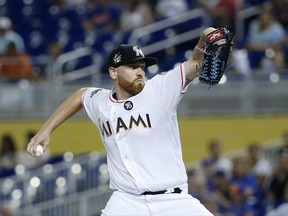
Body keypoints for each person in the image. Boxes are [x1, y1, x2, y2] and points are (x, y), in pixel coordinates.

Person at [26, 26, 224, 215]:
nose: (139, 71)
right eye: (132, 67)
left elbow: (194, 64)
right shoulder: (101, 102)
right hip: (128, 201)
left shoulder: (159, 90)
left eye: (141, 67)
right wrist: (46, 130)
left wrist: (204, 38)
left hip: (172, 200)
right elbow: (79, 95)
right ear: (113, 72)